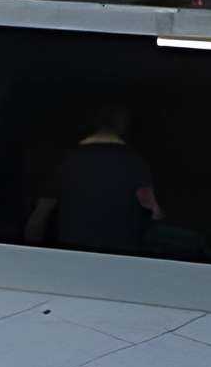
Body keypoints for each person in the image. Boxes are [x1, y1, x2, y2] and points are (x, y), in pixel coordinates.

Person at [25, 105, 159, 255]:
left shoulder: (64, 161)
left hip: (72, 256)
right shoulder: (136, 163)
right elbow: (154, 213)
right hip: (121, 259)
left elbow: (38, 219)